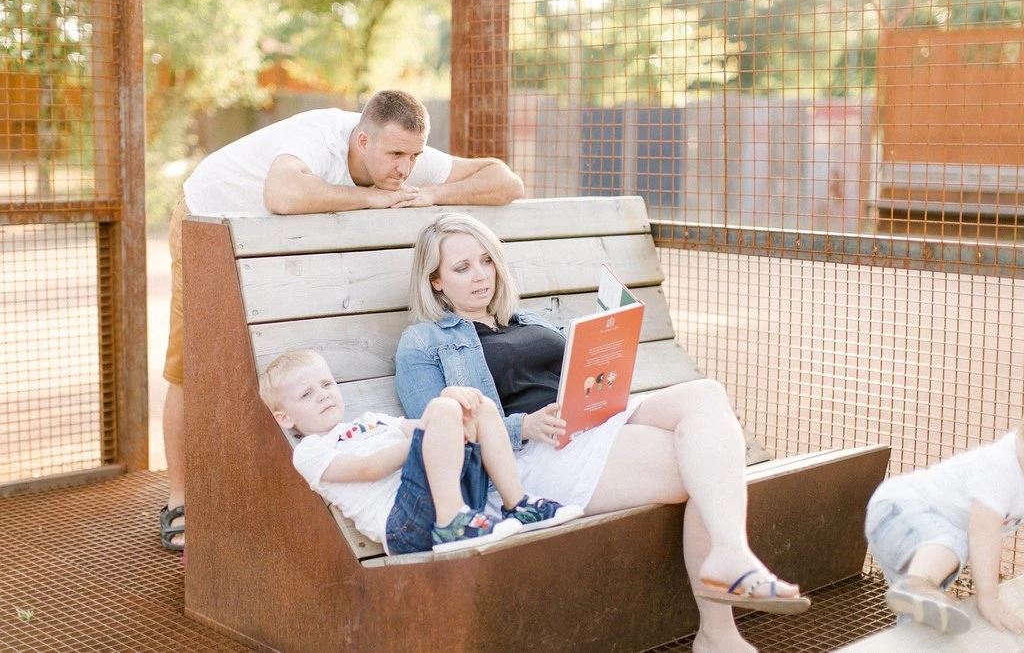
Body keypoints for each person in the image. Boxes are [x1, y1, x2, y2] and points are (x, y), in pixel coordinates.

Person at [394, 213, 810, 653]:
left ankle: (728, 573)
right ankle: (719, 630)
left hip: (593, 424)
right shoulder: (422, 342)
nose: (480, 276)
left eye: (486, 261)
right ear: (435, 281)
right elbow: (437, 431)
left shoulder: (527, 318)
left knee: (705, 396)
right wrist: (523, 426)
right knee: (705, 464)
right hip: (530, 461)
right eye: (462, 268)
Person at [159, 90, 524, 551]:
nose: (404, 169)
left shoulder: (403, 152)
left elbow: (506, 181)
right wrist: (368, 198)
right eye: (395, 156)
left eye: (413, 157)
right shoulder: (319, 137)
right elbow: (282, 193)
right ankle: (180, 501)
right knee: (189, 365)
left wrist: (432, 193)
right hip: (207, 216)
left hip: (272, 240)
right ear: (362, 140)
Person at [258, 350, 583, 554]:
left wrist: (454, 402)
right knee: (443, 409)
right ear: (284, 417)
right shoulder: (311, 451)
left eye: (327, 385)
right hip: (407, 523)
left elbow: (433, 424)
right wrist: (437, 421)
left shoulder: (372, 421)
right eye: (306, 394)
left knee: (475, 407)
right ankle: (450, 523)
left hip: (455, 500)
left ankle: (517, 505)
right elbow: (369, 469)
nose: (323, 396)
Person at [865, 424, 1024, 635]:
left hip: (914, 540)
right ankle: (917, 585)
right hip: (899, 508)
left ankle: (916, 600)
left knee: (920, 612)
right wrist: (989, 598)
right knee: (955, 540)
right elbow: (983, 533)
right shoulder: (1001, 467)